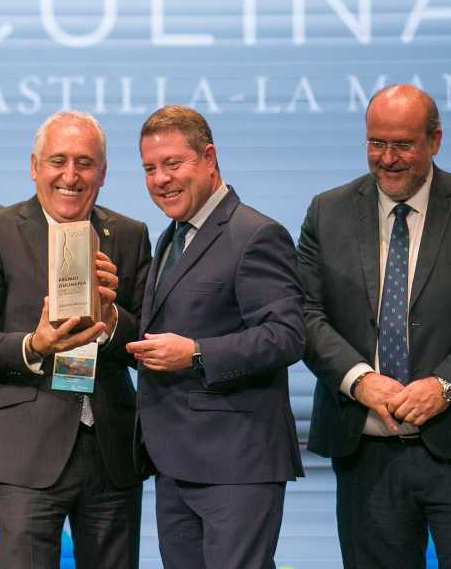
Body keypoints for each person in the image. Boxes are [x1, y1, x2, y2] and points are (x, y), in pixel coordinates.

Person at [298, 85, 451, 569]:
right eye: (376, 143)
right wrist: (360, 380)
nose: (387, 159)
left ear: (435, 140)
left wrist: (445, 386)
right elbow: (305, 313)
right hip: (366, 449)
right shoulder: (326, 211)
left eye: (403, 144)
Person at [0, 110, 150, 568]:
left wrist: (112, 319)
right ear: (34, 166)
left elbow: (146, 339)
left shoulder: (129, 234)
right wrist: (34, 346)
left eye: (85, 163)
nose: (70, 175)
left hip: (111, 452)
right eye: (57, 160)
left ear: (102, 172)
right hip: (24, 452)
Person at [129, 105, 304, 569]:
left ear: (209, 158)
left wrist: (197, 354)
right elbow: (167, 336)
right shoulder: (170, 237)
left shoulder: (256, 233)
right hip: (174, 462)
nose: (160, 179)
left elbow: (287, 335)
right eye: (149, 168)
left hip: (237, 464)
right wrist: (112, 320)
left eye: (172, 164)